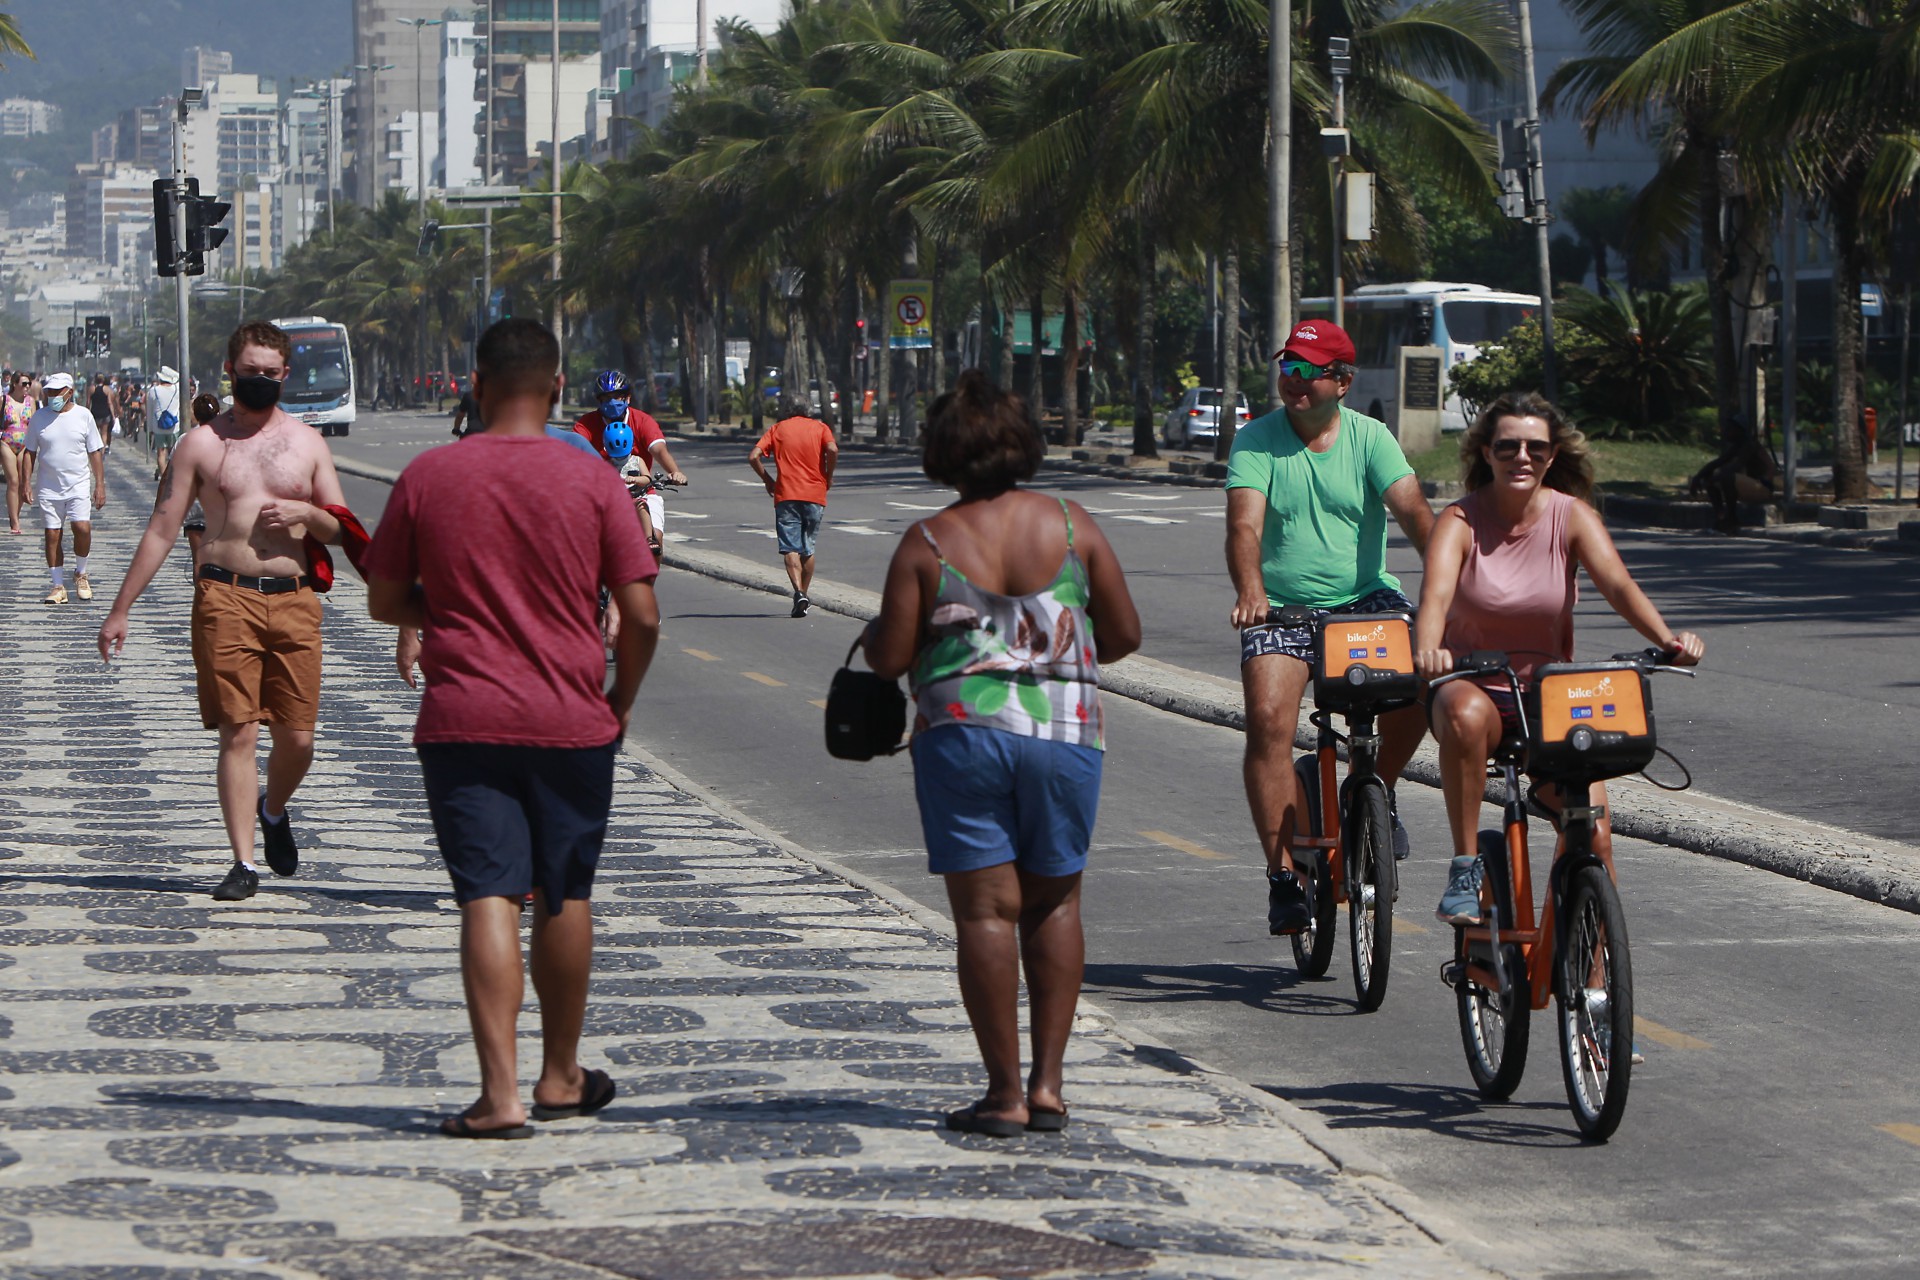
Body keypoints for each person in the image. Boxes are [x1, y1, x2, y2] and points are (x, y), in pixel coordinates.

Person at [364, 317, 661, 1140]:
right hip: (572, 718)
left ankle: (499, 1096)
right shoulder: (595, 482)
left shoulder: (429, 475)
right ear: (559, 387)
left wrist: (446, 608)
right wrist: (621, 697)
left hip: (464, 720)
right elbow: (641, 615)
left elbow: (385, 601)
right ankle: (561, 1074)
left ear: (476, 384)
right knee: (564, 891)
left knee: (489, 892)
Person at [862, 370, 1139, 1137]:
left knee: (985, 914)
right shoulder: (1073, 525)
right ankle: (1050, 1086)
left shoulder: (926, 543)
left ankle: (1004, 1094)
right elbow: (1123, 636)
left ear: (943, 451)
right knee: (1055, 902)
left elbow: (888, 660)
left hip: (962, 737)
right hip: (1066, 735)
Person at [1414, 392, 1705, 924]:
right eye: (1507, 446)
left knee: (1593, 834)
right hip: (1470, 682)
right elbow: (1433, 598)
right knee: (1465, 714)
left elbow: (1618, 584)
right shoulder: (1460, 520)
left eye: (1535, 448)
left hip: (1548, 697)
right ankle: (1464, 865)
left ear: (1551, 456)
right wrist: (1429, 652)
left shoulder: (1571, 516)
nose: (1521, 457)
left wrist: (1668, 641)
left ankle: (1592, 975)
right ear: (1486, 453)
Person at [98, 322, 358, 903]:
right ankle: (243, 862)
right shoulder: (202, 444)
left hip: (294, 602)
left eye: (270, 373)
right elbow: (164, 527)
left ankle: (274, 808)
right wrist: (121, 610)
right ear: (230, 370)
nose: (259, 381)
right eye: (250, 371)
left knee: (299, 740)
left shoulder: (308, 443)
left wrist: (305, 515)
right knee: (237, 732)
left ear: (285, 375)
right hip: (224, 595)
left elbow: (340, 527)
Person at [1225, 320, 1436, 935]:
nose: (1293, 382)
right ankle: (1283, 875)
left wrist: (1457, 593)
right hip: (1283, 607)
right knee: (1267, 721)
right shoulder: (1256, 441)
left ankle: (1377, 791)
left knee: (1426, 675)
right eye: (1287, 369)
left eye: (1308, 371)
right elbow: (1244, 527)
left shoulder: (1371, 439)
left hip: (1366, 601)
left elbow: (1417, 515)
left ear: (1342, 381)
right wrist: (1251, 588)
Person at [749, 395, 839, 617]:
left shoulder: (778, 429)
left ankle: (798, 592)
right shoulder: (820, 428)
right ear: (809, 409)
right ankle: (804, 596)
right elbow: (833, 450)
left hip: (786, 495)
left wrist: (768, 480)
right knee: (808, 547)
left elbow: (754, 456)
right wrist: (828, 475)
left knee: (790, 547)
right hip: (815, 494)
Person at [21, 372, 106, 604]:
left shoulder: (83, 416)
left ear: (69, 392)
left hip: (78, 484)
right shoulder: (39, 418)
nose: (52, 395)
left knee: (82, 527)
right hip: (49, 487)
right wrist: (25, 483)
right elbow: (30, 453)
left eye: (57, 391)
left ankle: (81, 572)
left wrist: (99, 484)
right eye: (49, 391)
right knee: (52, 534)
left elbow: (94, 452)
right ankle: (58, 585)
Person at [1688, 414, 1777, 535]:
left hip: (1763, 488)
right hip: (1751, 486)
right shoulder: (1738, 446)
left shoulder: (1749, 445)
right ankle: (1721, 518)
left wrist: (1711, 479)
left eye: (1730, 429)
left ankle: (1732, 518)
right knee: (1713, 476)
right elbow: (1718, 462)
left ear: (1739, 430)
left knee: (1725, 476)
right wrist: (1698, 477)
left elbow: (1736, 466)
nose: (1726, 431)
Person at [176, 393, 221, 573]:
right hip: (221, 507)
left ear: (195, 415)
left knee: (198, 561)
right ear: (218, 413)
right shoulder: (229, 439)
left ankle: (201, 599)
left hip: (194, 506)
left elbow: (169, 477)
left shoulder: (185, 440)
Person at [3, 370, 35, 534]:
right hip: (7, 442)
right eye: (24, 383)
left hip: (25, 444)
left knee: (23, 482)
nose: (27, 387)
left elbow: (35, 424)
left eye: (29, 383)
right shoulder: (4, 400)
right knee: (13, 481)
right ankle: (15, 523)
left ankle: (15, 513)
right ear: (15, 384)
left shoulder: (31, 402)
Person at [147, 366, 184, 481]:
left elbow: (149, 410)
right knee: (174, 453)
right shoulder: (177, 389)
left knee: (161, 454)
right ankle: (174, 476)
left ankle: (164, 479)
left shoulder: (153, 391)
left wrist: (149, 428)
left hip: (159, 427)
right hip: (174, 427)